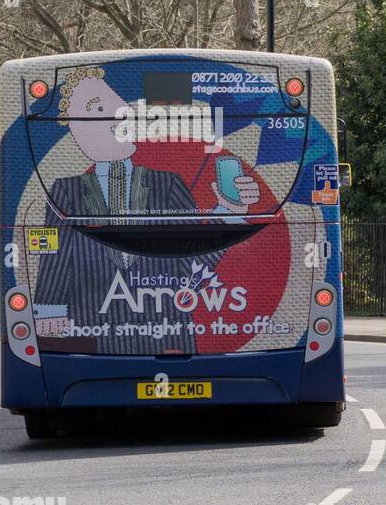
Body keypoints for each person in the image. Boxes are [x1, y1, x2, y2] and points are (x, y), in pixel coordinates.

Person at [33, 66, 260, 354]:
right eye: (94, 109)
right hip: (95, 333)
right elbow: (54, 253)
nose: (114, 113)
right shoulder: (66, 191)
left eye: (113, 103)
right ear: (77, 132)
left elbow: (192, 265)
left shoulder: (167, 184)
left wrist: (228, 211)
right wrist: (48, 309)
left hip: (167, 332)